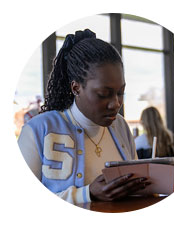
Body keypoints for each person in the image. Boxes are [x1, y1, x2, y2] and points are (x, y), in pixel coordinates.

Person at [18, 29, 150, 205]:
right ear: (76, 88)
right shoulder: (38, 130)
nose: (116, 104)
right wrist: (86, 194)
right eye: (104, 94)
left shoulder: (121, 126)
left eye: (121, 93)